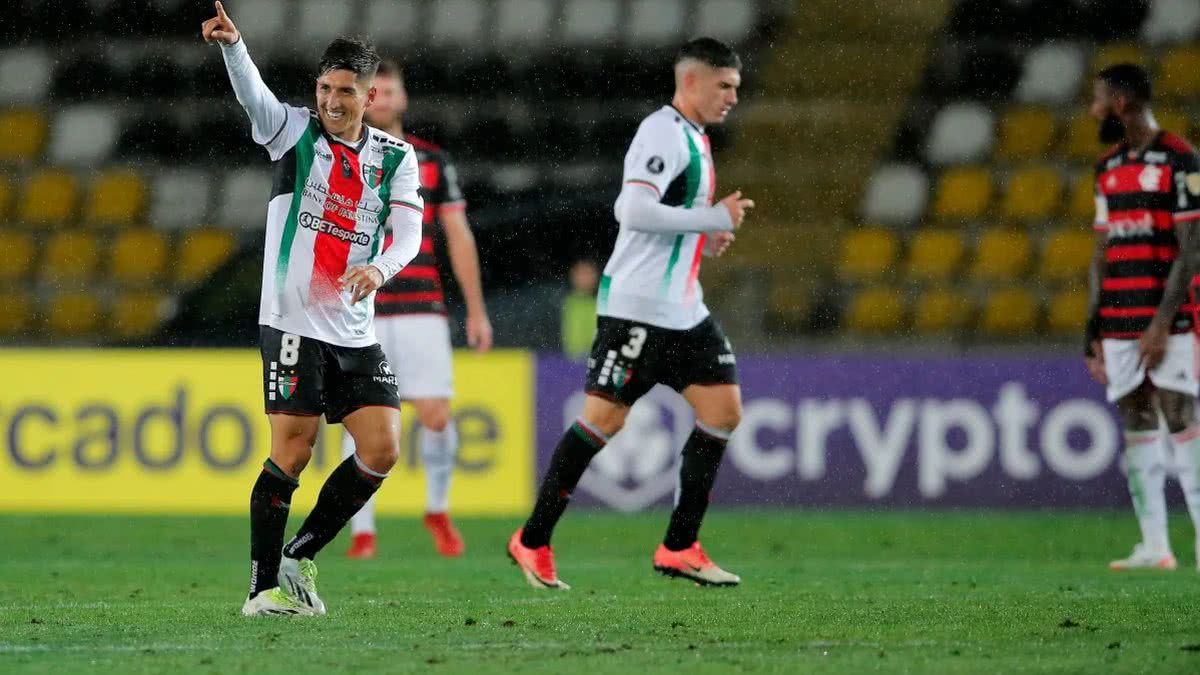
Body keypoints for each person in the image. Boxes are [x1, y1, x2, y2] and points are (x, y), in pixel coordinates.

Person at [507, 38, 753, 589]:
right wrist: (711, 215)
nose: (733, 97)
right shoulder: (662, 131)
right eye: (725, 86)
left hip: (683, 309)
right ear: (692, 82)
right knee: (603, 420)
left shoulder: (696, 138)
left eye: (736, 87)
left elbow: (670, 219)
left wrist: (704, 236)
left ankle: (680, 546)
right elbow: (633, 208)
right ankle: (533, 538)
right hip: (638, 310)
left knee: (723, 409)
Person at [202, 2, 423, 615]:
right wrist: (233, 47)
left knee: (382, 449)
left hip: (355, 330)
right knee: (292, 453)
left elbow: (408, 234)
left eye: (345, 91)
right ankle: (260, 590)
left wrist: (378, 268)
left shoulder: (395, 158)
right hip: (293, 323)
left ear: (369, 94)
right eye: (324, 88)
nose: (331, 101)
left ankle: (300, 554)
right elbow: (255, 98)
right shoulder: (293, 133)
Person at [341, 60, 493, 560]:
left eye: (390, 90)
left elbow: (459, 236)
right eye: (373, 91)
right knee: (362, 420)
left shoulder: (431, 160)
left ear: (403, 99)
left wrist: (475, 309)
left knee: (435, 414)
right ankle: (361, 530)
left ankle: (437, 508)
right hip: (361, 308)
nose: (382, 99)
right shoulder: (339, 158)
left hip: (423, 306)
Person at [1083, 63, 1200, 571]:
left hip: (1168, 321)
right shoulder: (1106, 168)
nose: (1093, 110)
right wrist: (1092, 328)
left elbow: (1192, 247)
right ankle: (1155, 546)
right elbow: (1102, 252)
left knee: (1181, 417)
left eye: (1098, 100)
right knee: (1136, 420)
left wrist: (1160, 322)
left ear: (1122, 102)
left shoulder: (1183, 160)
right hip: (1117, 321)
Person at [561, 259, 599, 359]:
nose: (586, 278)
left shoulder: (600, 303)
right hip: (570, 359)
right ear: (573, 276)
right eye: (582, 274)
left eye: (589, 273)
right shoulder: (566, 302)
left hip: (594, 356)